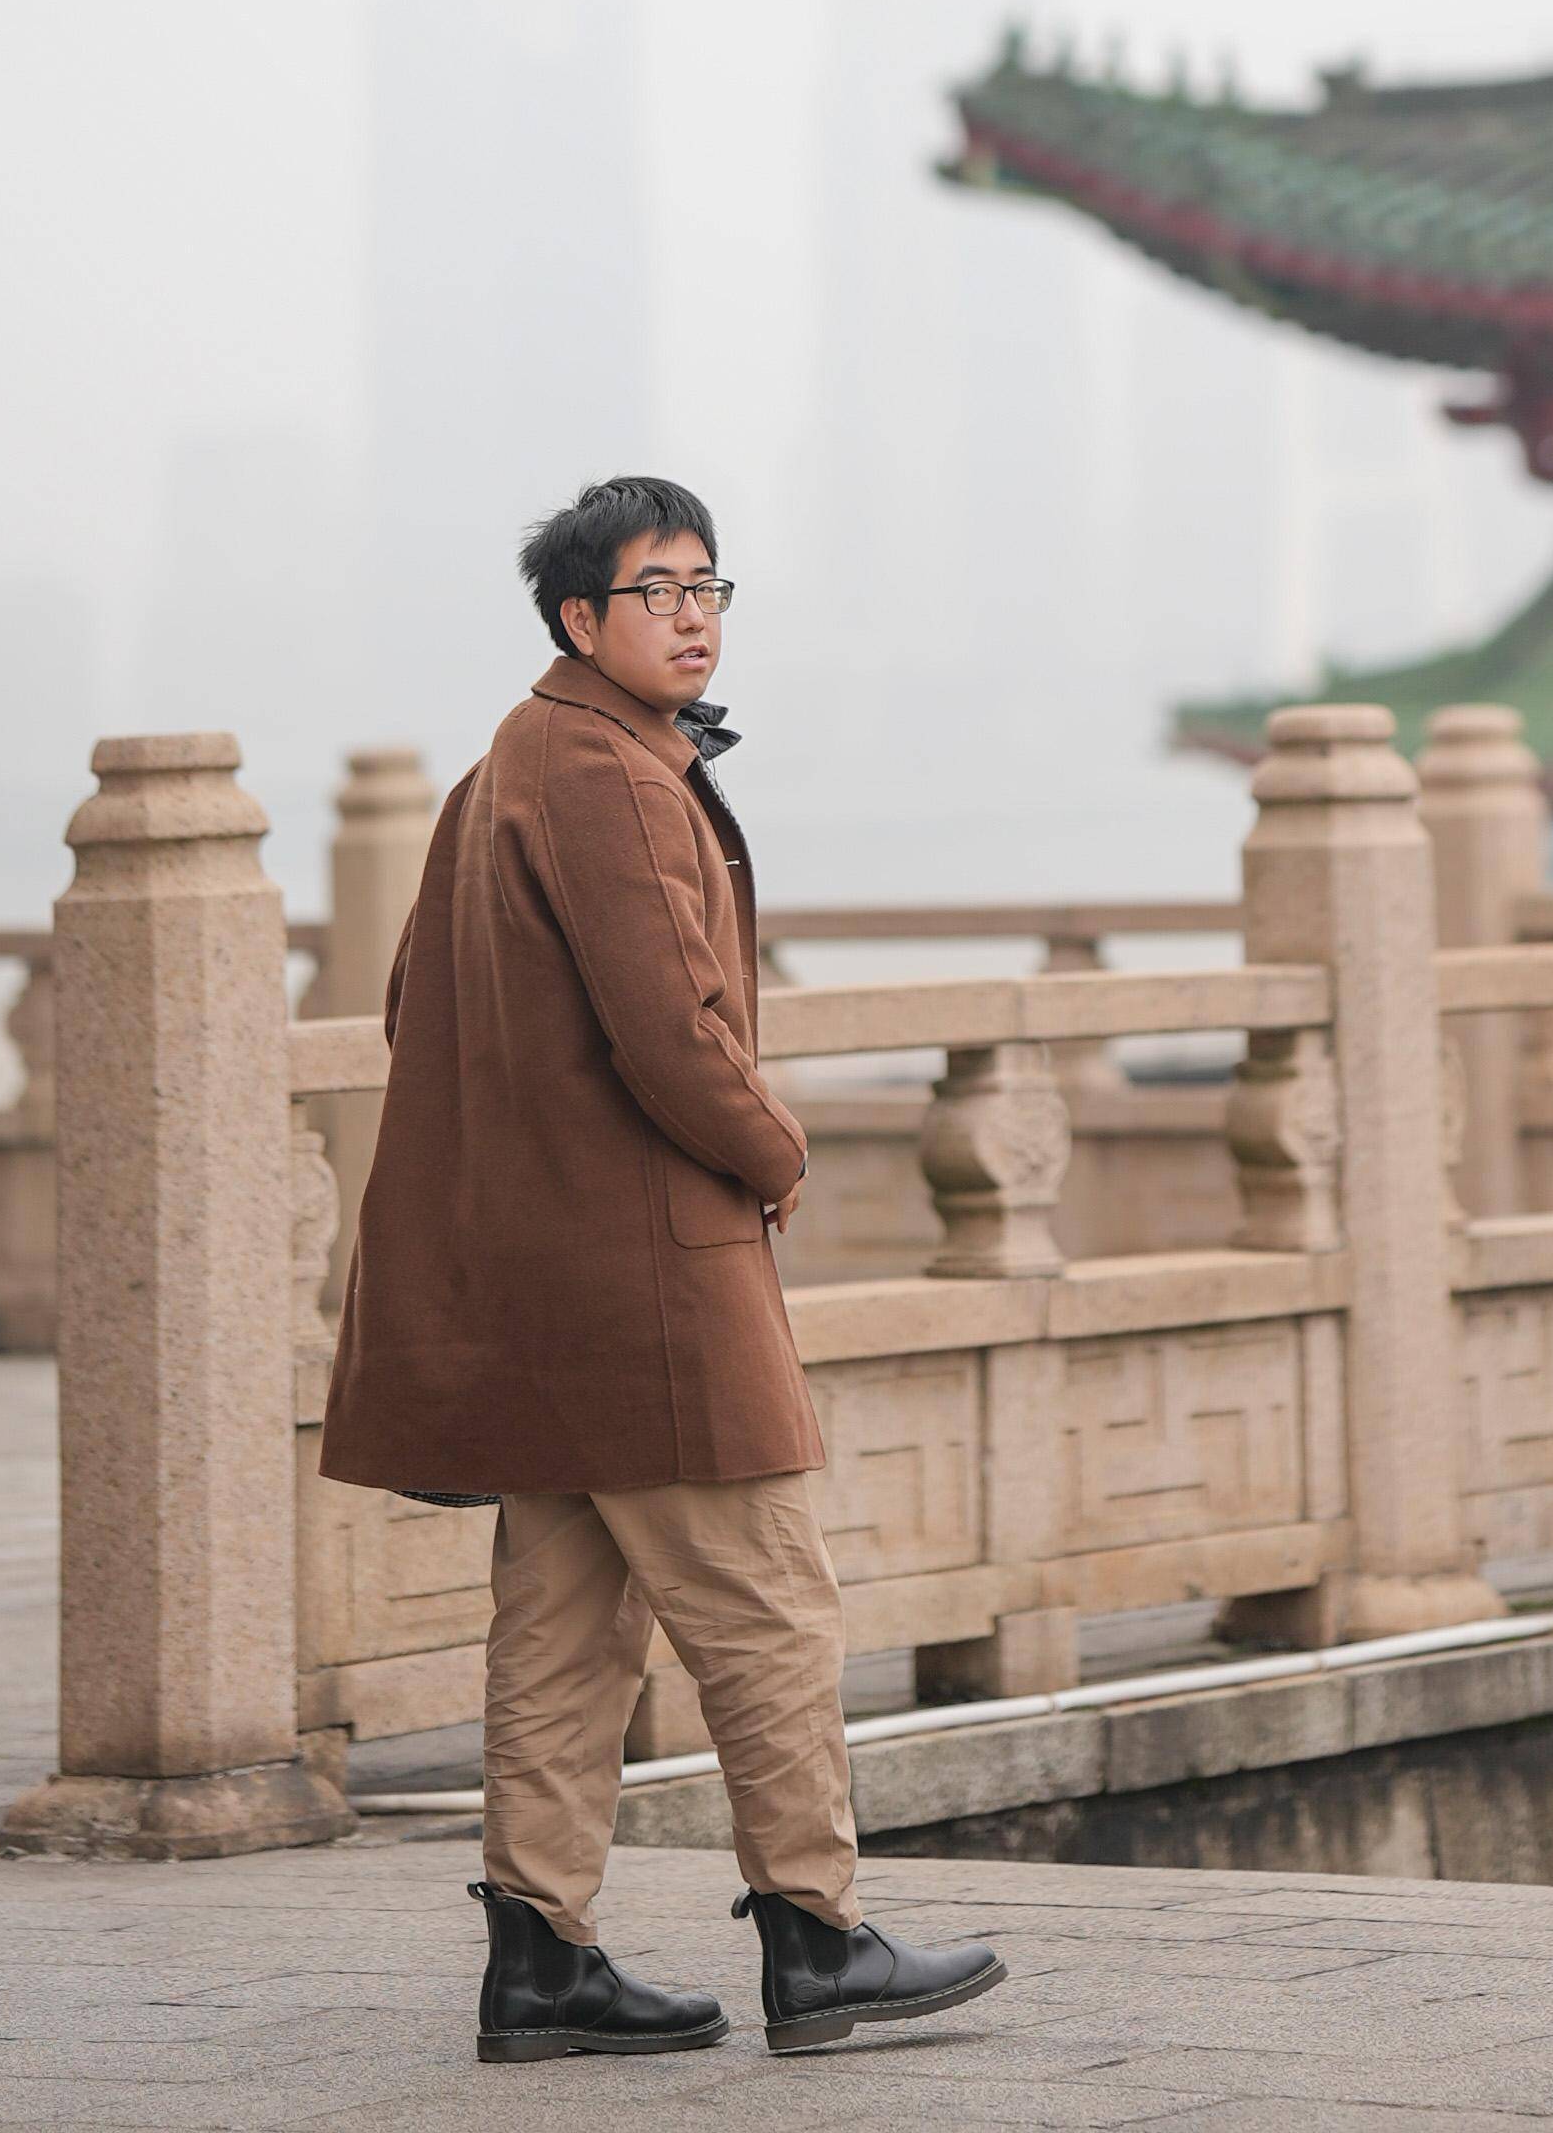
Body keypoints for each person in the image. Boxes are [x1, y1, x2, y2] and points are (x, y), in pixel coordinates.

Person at [322, 472, 1004, 2064]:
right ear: (581, 619)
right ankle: (818, 1936)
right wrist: (777, 1151)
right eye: (657, 592)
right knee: (765, 1598)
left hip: (547, 1280)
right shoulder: (611, 776)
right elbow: (671, 1028)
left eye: (709, 587)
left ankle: (541, 1956)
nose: (693, 616)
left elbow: (413, 998)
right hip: (646, 1269)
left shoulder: (520, 754)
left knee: (563, 1619)